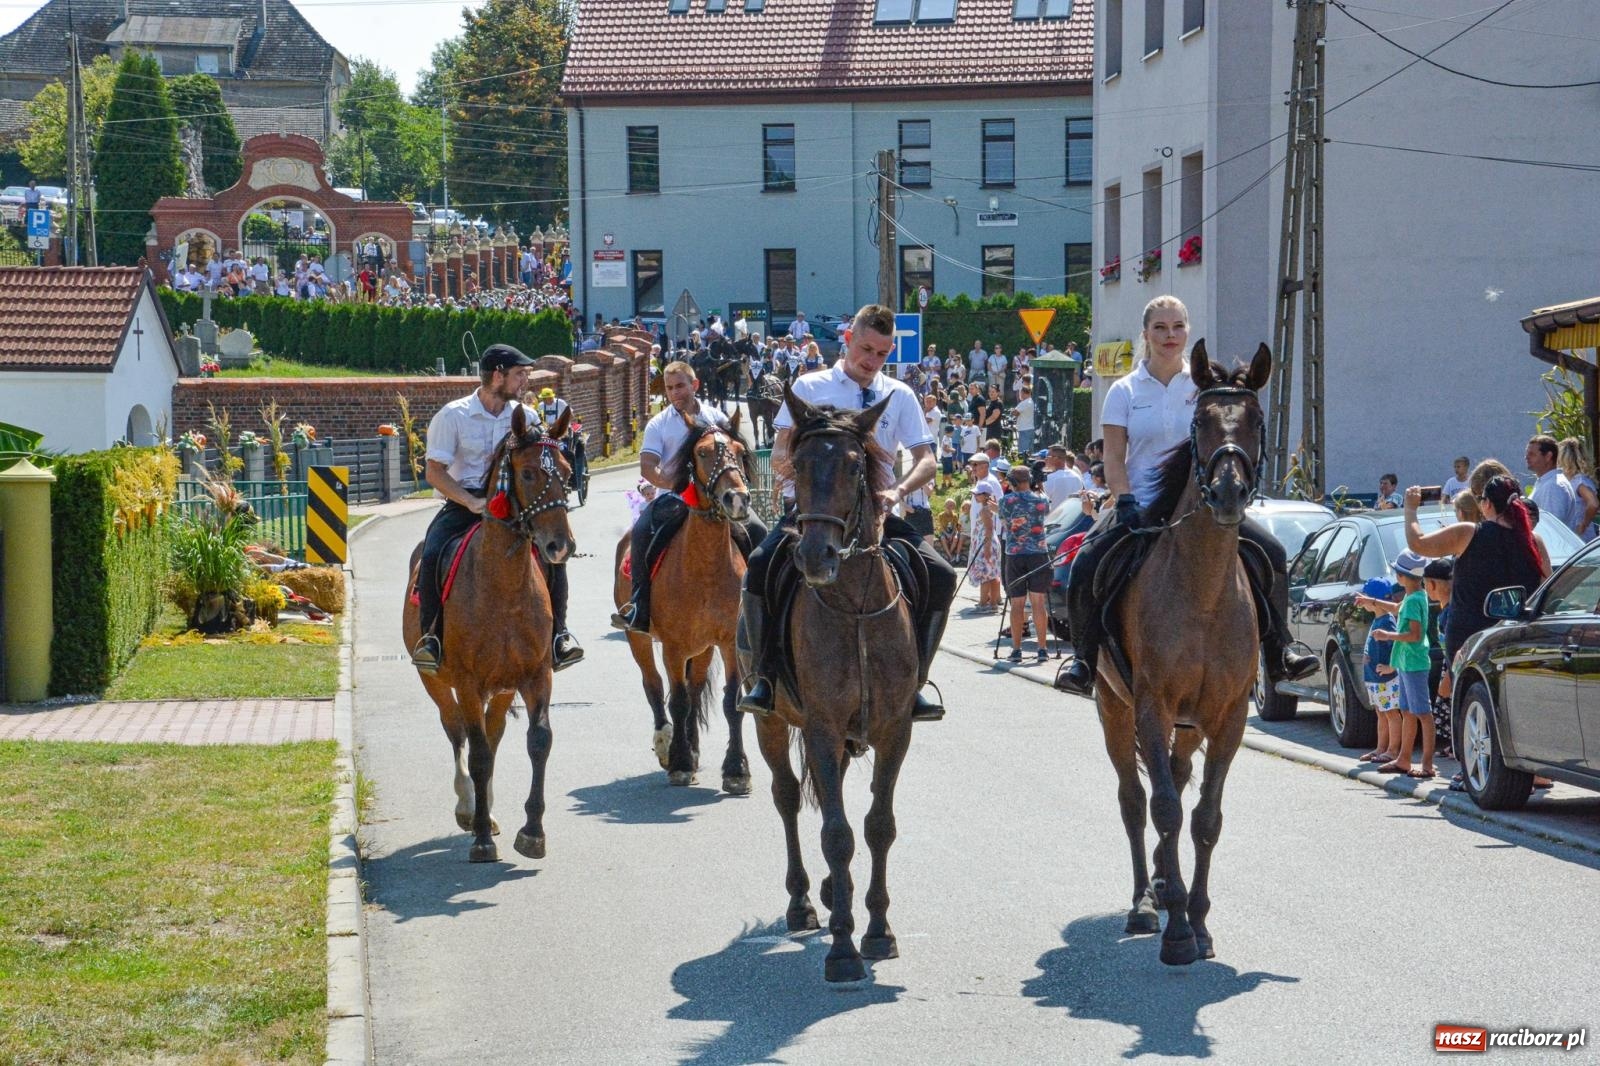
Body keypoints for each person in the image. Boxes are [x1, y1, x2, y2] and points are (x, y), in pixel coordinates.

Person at [1056, 294, 1318, 696]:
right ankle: (1083, 661)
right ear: (1145, 334)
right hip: (1140, 506)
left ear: (1188, 332)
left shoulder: (1205, 390)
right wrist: (1123, 499)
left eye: (1177, 327)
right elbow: (1113, 455)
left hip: (1207, 506)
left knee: (1273, 554)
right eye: (1160, 328)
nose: (1169, 335)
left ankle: (1279, 651)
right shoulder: (1124, 391)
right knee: (1087, 561)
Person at [738, 304, 956, 721]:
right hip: (814, 517)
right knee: (760, 565)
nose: (872, 361)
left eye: (882, 354)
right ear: (848, 340)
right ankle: (765, 678)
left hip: (876, 516)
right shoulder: (810, 386)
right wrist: (803, 492)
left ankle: (916, 682)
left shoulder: (900, 395)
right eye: (866, 349)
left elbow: (926, 459)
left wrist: (898, 489)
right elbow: (783, 450)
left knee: (942, 574)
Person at [410, 344, 583, 673]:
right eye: (520, 374)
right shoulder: (453, 415)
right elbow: (434, 472)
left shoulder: (526, 416)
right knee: (431, 551)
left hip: (516, 505)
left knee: (555, 558)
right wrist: (471, 501)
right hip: (466, 501)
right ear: (497, 375)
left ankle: (558, 637)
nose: (525, 381)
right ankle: (431, 638)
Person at [1401, 464, 1552, 789]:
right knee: (1516, 706)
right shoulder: (1532, 539)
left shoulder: (1469, 533)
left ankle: (1470, 771)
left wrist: (1410, 508)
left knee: (1472, 706)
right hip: (1517, 634)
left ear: (1485, 504)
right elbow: (1545, 587)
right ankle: (1535, 770)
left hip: (1471, 637)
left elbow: (1418, 543)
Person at [610, 361, 767, 633]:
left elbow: (736, 455)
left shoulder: (716, 418)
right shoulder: (659, 424)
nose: (674, 393)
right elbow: (648, 467)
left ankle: (764, 603)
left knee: (758, 530)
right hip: (674, 498)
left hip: (720, 500)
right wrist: (676, 485)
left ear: (694, 385)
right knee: (640, 533)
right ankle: (639, 605)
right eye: (669, 388)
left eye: (680, 386)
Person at [1370, 549, 1435, 778]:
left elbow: (1415, 635)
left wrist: (1388, 636)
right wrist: (1373, 601)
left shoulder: (1415, 599)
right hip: (1407, 663)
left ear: (1402, 576)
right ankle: (1404, 759)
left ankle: (1426, 765)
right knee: (1407, 711)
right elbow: (1397, 609)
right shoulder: (1413, 595)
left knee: (1423, 714)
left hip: (1415, 664)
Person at [1000, 464, 1052, 664]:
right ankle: (1042, 649)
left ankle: (1016, 649)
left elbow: (1005, 522)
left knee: (1017, 603)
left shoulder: (1006, 501)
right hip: (1039, 553)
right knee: (1038, 603)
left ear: (1012, 482)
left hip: (1015, 554)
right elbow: (1045, 511)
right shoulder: (1042, 499)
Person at [1351, 577, 1401, 765]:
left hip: (1386, 679)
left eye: (1365, 598)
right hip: (1375, 678)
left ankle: (1393, 750)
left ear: (1374, 600)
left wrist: (1392, 666)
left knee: (1391, 713)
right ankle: (1381, 748)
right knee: (1381, 713)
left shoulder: (1387, 621)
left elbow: (1397, 646)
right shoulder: (1377, 619)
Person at [1526, 434, 1577, 531]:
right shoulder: (1546, 482)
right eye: (1527, 453)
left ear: (1548, 456)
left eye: (1532, 454)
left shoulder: (1554, 486)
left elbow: (1551, 529)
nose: (1526, 457)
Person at [1557, 437, 1598, 540]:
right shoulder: (1570, 480)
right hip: (1572, 535)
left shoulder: (1579, 481)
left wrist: (1583, 524)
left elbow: (1593, 504)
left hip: (1581, 538)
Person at [1044, 445, 1084, 509]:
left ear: (1056, 458)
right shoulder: (1076, 476)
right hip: (1073, 517)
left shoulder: (1051, 478)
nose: (1045, 459)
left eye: (1047, 456)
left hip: (1056, 517)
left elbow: (1041, 499)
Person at [1014, 385, 1036, 456]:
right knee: (1030, 452)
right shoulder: (1031, 401)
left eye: (1021, 393)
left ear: (1023, 393)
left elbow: (1015, 413)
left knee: (1023, 452)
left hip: (1024, 429)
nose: (1020, 395)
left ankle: (1023, 464)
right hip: (1030, 428)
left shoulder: (1024, 402)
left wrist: (1012, 411)